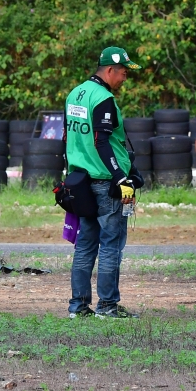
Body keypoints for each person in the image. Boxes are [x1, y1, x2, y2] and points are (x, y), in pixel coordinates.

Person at [64, 46, 143, 319]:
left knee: (85, 245)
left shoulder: (75, 94)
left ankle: (78, 307)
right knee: (111, 245)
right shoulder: (104, 98)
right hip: (106, 183)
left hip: (81, 183)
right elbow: (101, 142)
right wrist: (121, 177)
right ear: (110, 70)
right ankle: (107, 306)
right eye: (123, 73)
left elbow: (68, 138)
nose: (125, 78)